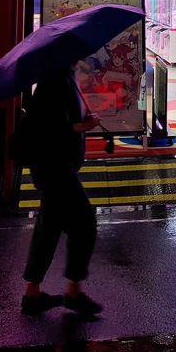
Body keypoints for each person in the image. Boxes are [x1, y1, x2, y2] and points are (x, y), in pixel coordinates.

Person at [21, 66, 103, 316]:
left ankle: (32, 294)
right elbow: (49, 129)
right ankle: (73, 292)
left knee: (49, 229)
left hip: (54, 167)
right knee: (85, 223)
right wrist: (84, 126)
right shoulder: (55, 82)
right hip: (54, 169)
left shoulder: (63, 77)